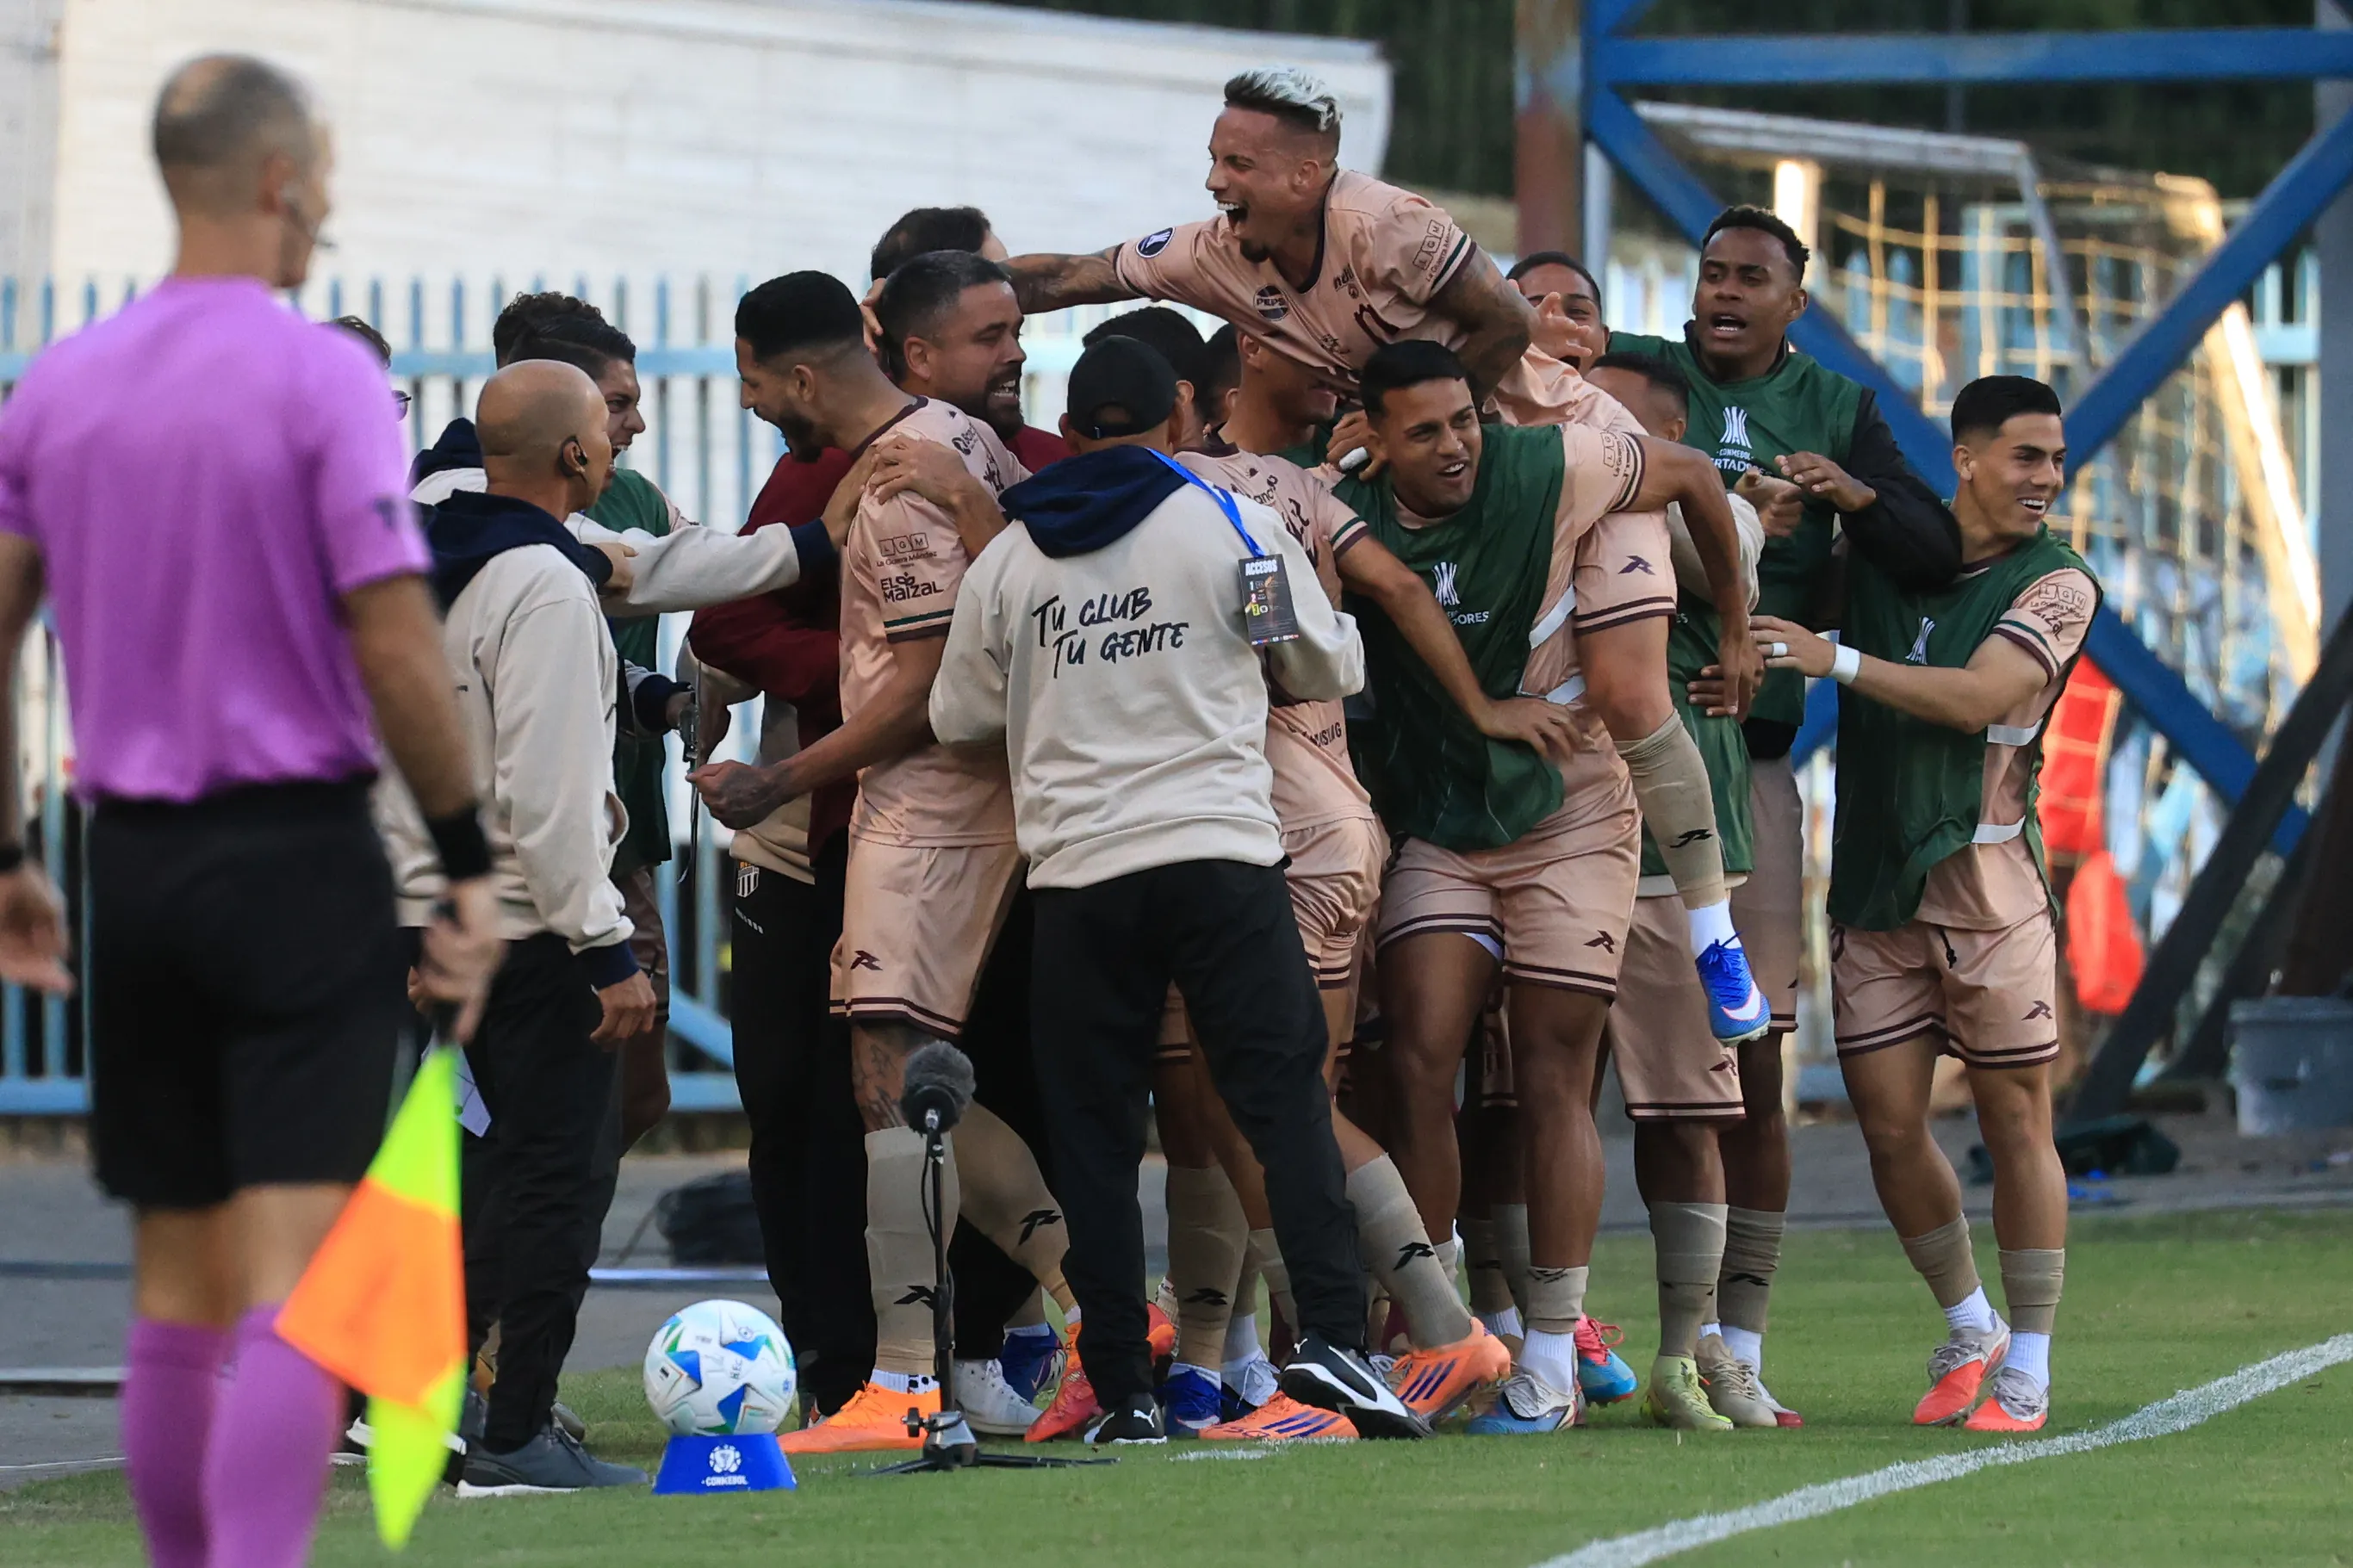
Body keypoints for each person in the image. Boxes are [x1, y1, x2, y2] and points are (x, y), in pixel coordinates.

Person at [0, 54, 502, 1566]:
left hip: (135, 865)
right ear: (281, 180)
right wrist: (466, 861)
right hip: (295, 859)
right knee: (292, 1275)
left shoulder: (59, 384)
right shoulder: (321, 378)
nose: (326, 208)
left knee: (176, 1284)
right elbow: (393, 639)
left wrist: (9, 853)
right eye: (325, 179)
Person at [928, 334, 1424, 1445]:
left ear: (1069, 426)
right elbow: (1310, 664)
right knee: (1282, 1104)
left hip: (1078, 878)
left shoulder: (1011, 556)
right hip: (1217, 858)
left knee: (1095, 1135)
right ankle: (1333, 1342)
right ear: (1177, 421)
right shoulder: (1227, 525)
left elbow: (958, 716)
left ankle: (1123, 1388)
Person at [690, 271, 1082, 1455]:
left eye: (754, 382)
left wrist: (781, 781)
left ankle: (906, 1379)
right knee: (913, 1084)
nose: (753, 403)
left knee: (887, 1077)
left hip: (928, 809)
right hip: (976, 801)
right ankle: (1096, 1312)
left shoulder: (906, 478)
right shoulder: (950, 443)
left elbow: (923, 692)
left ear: (801, 376)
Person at [1327, 340, 1750, 1436]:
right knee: (1416, 1058)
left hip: (1573, 810)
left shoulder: (1554, 462)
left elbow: (1694, 476)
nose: (1453, 445)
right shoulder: (1339, 508)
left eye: (1463, 419)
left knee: (1555, 1072)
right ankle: (1439, 1326)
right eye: (1423, 431)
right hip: (1443, 819)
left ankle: (1551, 1358)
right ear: (1374, 438)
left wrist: (1735, 628)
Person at [1610, 208, 1965, 1410]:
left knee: (1749, 1068)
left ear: (1794, 304)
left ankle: (1738, 1344)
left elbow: (1929, 550)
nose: (1723, 293)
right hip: (1587, 770)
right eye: (1711, 272)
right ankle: (1538, 1338)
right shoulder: (1634, 376)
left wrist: (1854, 496)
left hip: (1743, 769)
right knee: (1533, 1066)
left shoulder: (1838, 406)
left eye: (1750, 278)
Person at [1754, 375, 2092, 1435]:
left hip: (1990, 895)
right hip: (1872, 886)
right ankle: (1967, 1323)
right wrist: (1764, 514)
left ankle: (2028, 1363)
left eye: (2055, 459)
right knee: (1890, 1129)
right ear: (1965, 459)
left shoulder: (2058, 582)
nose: (2046, 478)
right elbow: (1769, 598)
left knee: (2015, 1119)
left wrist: (1836, 660)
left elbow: (1978, 698)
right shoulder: (1882, 560)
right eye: (2025, 456)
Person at [378, 359, 657, 1492]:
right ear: (575, 455)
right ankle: (517, 1431)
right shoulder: (542, 583)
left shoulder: (416, 568)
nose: (617, 445)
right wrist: (607, 948)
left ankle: (439, 1408)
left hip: (438, 926)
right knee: (557, 1181)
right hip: (538, 935)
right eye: (605, 430)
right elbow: (548, 798)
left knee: (481, 1179)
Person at [1006, 66, 1590, 427]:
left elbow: (1511, 321)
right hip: (1431, 465)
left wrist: (1405, 426)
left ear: (1305, 176)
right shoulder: (1214, 251)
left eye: (1238, 164)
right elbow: (1077, 274)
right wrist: (958, 283)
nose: (1213, 182)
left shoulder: (1387, 225)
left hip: (1555, 430)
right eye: (1214, 160)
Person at [1582, 352, 1774, 1430]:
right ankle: (1538, 1340)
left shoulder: (1708, 512)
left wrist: (1688, 492)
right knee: (1522, 1102)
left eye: (1609, 407)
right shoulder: (1510, 480)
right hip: (1540, 829)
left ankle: (1692, 1350)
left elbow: (1726, 553)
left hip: (1671, 851)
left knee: (1690, 1111)